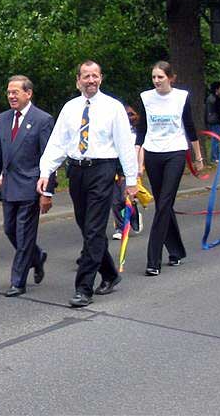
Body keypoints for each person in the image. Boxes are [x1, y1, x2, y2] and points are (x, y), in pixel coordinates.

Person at [38, 61, 138, 307]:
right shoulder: (70, 108)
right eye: (86, 76)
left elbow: (125, 145)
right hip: (77, 171)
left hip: (103, 170)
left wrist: (132, 180)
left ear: (101, 79)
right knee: (86, 226)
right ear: (78, 80)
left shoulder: (113, 107)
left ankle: (84, 288)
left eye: (95, 76)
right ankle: (111, 274)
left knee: (94, 229)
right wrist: (45, 171)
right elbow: (58, 142)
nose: (90, 80)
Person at [0, 75, 55, 297]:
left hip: (30, 186)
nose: (11, 96)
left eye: (15, 92)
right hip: (9, 187)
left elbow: (49, 157)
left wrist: (47, 191)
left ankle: (18, 280)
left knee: (24, 234)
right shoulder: (3, 119)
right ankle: (36, 256)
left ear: (28, 93)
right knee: (9, 229)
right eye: (8, 92)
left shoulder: (42, 120)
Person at [137, 61, 204, 275]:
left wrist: (198, 157)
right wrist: (138, 161)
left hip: (175, 152)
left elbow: (190, 127)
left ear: (171, 78)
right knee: (164, 206)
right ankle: (176, 251)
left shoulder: (180, 97)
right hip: (153, 153)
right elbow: (142, 131)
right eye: (154, 77)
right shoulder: (146, 98)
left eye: (161, 77)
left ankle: (153, 260)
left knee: (165, 202)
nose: (156, 81)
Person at [111, 103, 143, 240]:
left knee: (126, 198)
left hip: (130, 169)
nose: (129, 117)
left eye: (131, 114)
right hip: (114, 168)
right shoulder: (116, 130)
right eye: (126, 115)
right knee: (115, 200)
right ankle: (120, 227)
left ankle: (134, 216)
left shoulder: (138, 132)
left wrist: (140, 167)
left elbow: (141, 149)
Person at [204, 81, 220, 163]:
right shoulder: (216, 99)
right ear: (217, 89)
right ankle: (215, 158)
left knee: (215, 139)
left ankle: (217, 157)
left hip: (210, 121)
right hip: (216, 122)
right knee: (216, 140)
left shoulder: (209, 98)